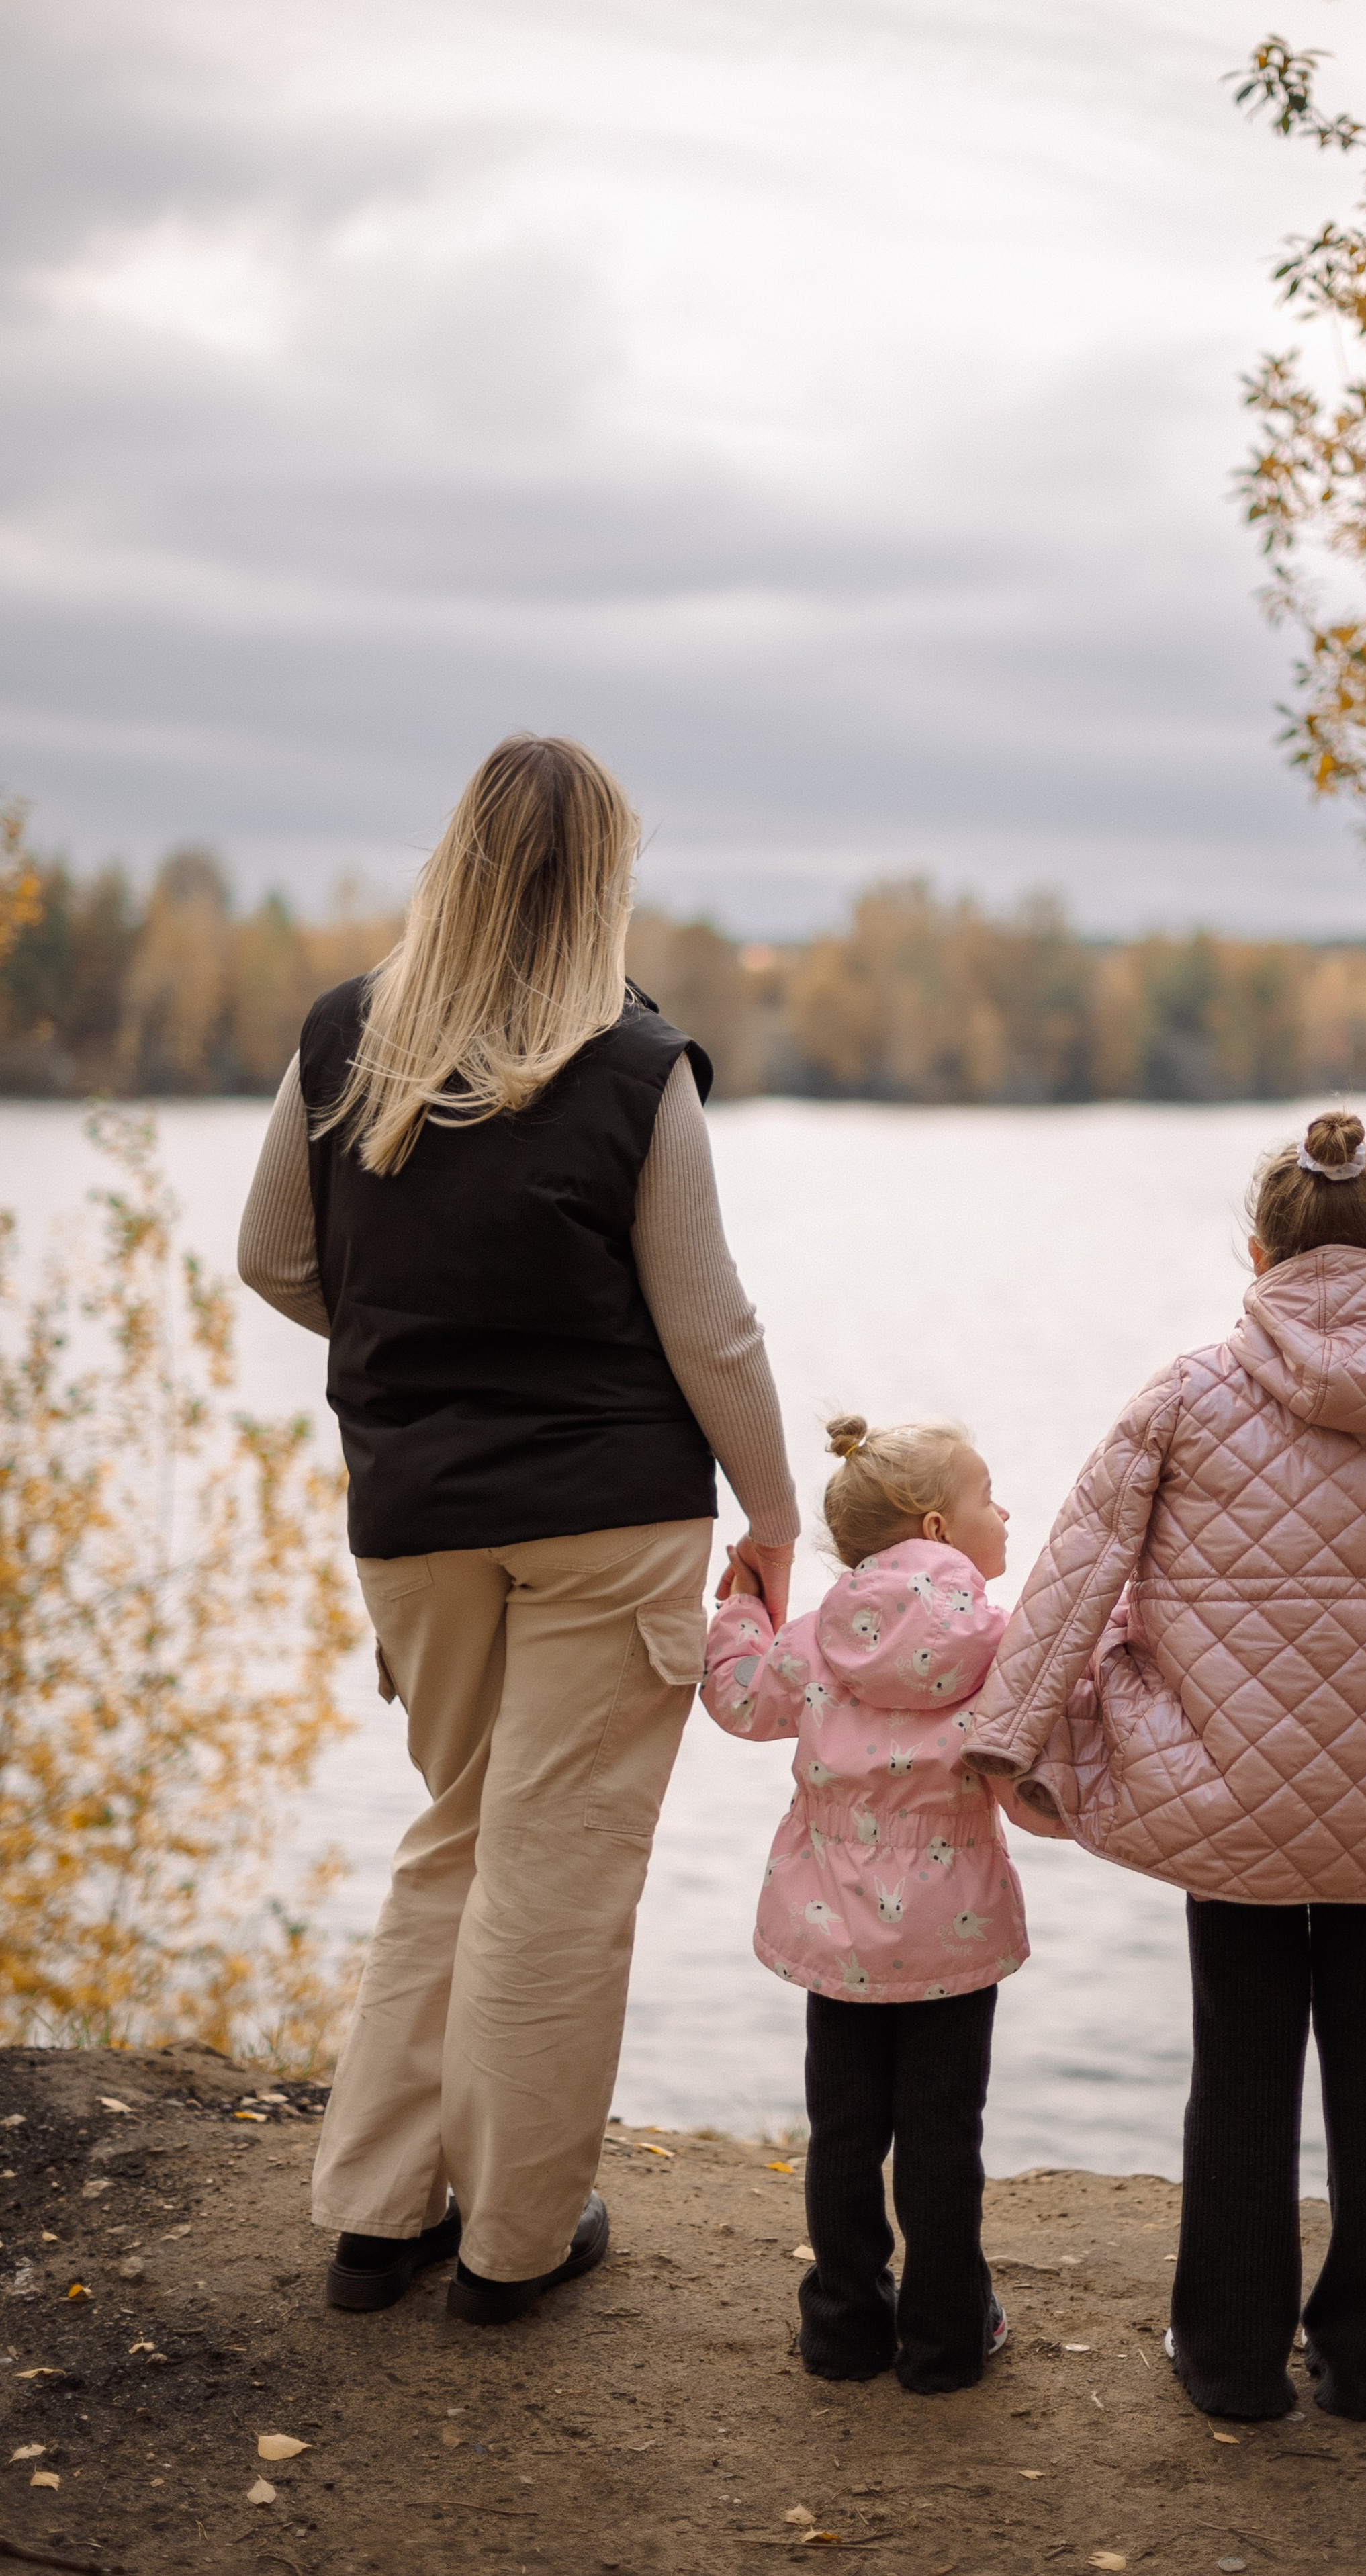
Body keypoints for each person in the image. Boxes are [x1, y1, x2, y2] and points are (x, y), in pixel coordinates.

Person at [236, 732, 798, 2327]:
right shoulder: (633, 1065)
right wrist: (770, 1512)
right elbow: (712, 1329)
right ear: (603, 879)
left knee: (456, 1841)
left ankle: (374, 2218)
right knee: (553, 1872)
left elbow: (272, 1255)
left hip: (413, 1513)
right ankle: (512, 2245)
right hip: (606, 1514)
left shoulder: (347, 1035)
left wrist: (419, 1343)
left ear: (455, 857)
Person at [962, 1111, 1366, 2424]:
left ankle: (1227, 2356)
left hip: (1226, 1787)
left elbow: (1080, 1557)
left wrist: (1008, 1731)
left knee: (1239, 2061)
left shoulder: (1185, 1391)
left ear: (1254, 1251)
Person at [702, 1415, 1059, 2395]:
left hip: (836, 1933)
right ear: (939, 1528)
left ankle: (844, 2329)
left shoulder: (814, 1640)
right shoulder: (997, 1642)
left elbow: (739, 1703)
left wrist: (742, 1607)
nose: (1008, 1510)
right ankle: (945, 2340)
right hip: (953, 1933)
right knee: (946, 2136)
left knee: (846, 2134)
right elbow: (1035, 1768)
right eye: (990, 1496)